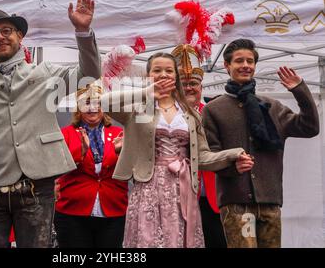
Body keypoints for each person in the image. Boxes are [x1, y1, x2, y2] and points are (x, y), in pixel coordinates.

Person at [0, 0, 101, 248]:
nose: (0, 37)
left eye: (7, 30)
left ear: (20, 36)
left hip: (37, 183)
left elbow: (88, 75)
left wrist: (83, 32)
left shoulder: (44, 72)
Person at [100, 52, 253, 248]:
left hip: (182, 188)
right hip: (149, 185)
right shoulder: (138, 109)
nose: (163, 74)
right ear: (149, 76)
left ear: (176, 76)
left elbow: (203, 157)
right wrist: (147, 92)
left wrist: (231, 155)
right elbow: (103, 102)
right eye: (157, 70)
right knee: (149, 240)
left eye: (169, 70)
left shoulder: (190, 114)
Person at [202, 39, 320, 248]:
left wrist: (300, 90)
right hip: (236, 203)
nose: (245, 65)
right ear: (227, 66)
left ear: (255, 66)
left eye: (250, 61)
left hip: (270, 201)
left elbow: (309, 127)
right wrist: (231, 166)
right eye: (239, 61)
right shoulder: (214, 109)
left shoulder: (272, 106)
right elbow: (209, 155)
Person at [54, 82, 127, 248]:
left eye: (98, 103)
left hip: (113, 209)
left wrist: (120, 153)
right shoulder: (65, 133)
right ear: (79, 108)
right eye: (87, 103)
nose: (93, 108)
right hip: (72, 212)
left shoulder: (118, 133)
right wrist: (81, 152)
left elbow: (130, 170)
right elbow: (57, 167)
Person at [172, 44, 227, 248]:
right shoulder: (165, 117)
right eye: (184, 83)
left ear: (201, 86)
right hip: (177, 198)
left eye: (194, 83)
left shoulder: (215, 114)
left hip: (212, 198)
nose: (189, 88)